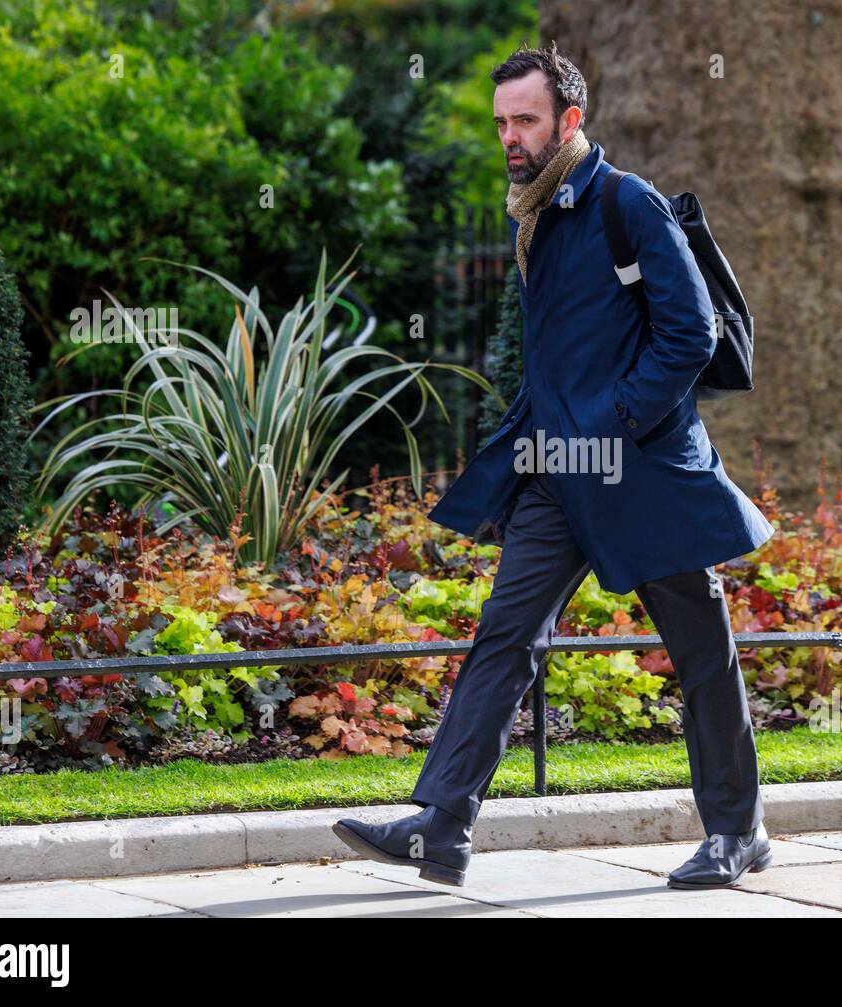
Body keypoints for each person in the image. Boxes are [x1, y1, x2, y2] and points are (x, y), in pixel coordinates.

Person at [333, 41, 776, 890]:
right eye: (501, 121)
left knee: (701, 646)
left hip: (644, 472)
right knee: (506, 634)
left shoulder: (625, 204)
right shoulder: (536, 209)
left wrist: (613, 422)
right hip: (557, 470)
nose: (509, 135)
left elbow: (693, 334)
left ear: (569, 120)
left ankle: (737, 828)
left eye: (525, 119)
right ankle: (442, 825)